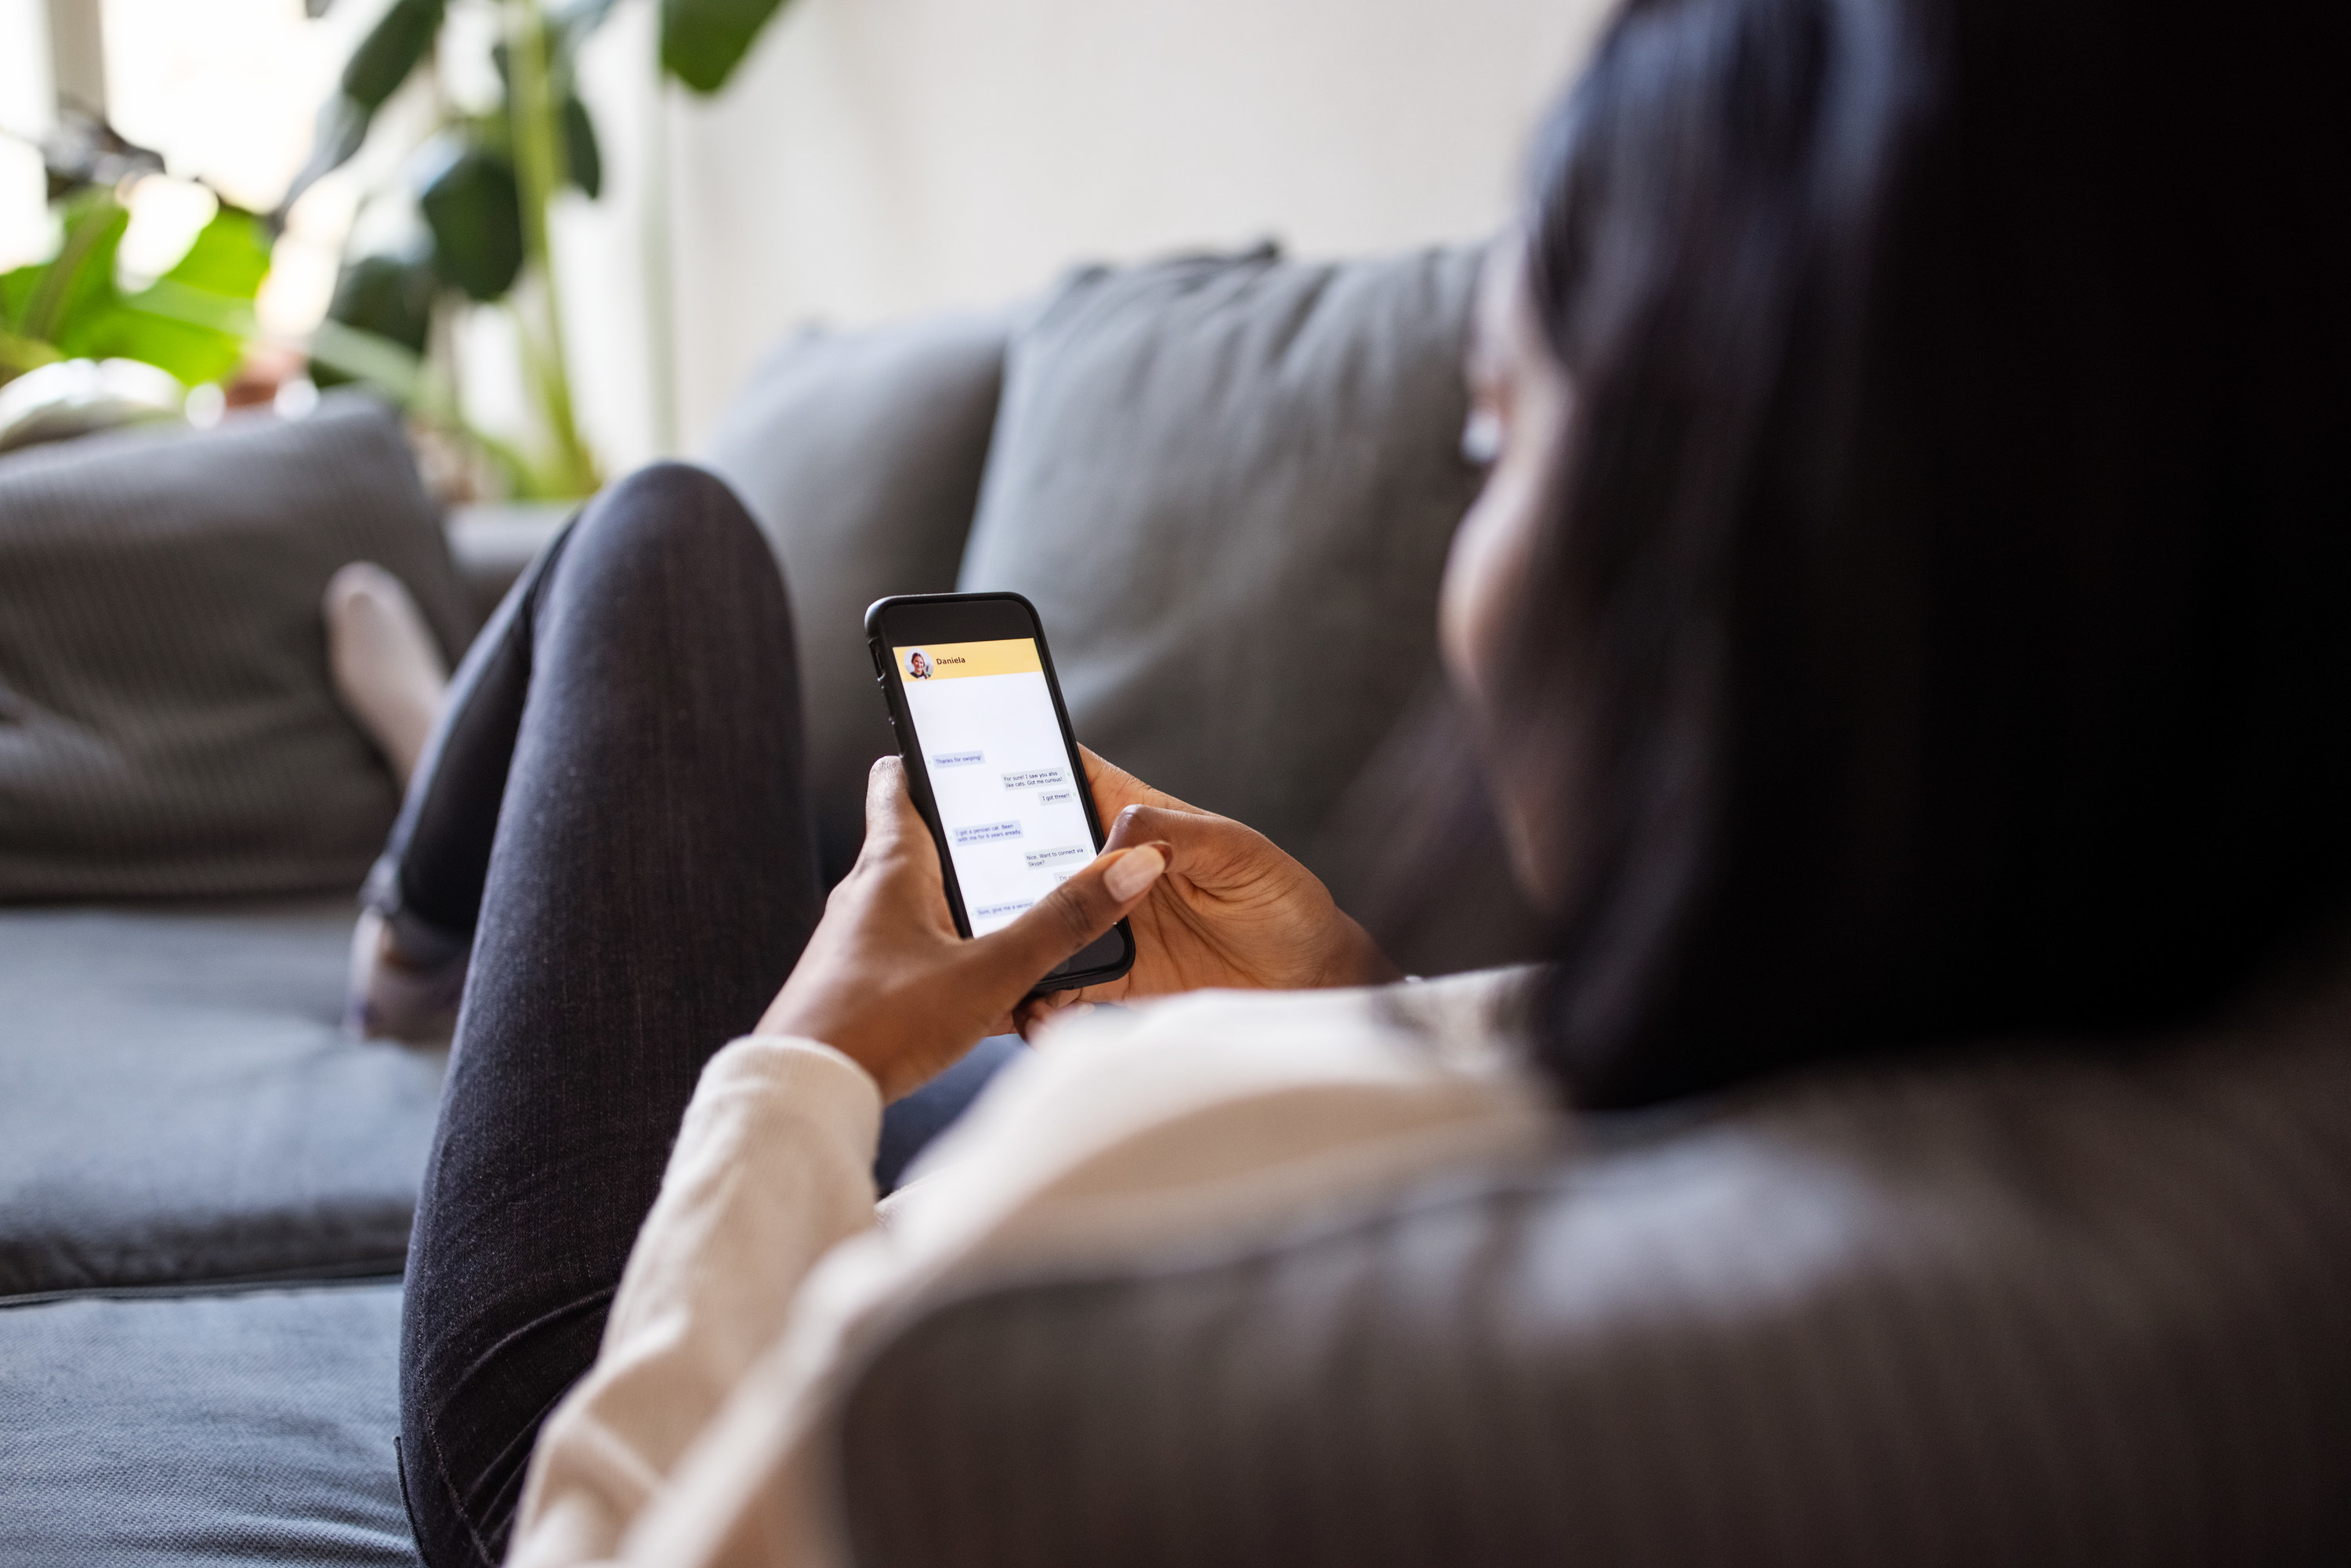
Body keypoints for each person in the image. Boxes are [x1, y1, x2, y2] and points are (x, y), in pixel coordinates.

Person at [353, 0, 2351, 1562]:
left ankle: (421, 906)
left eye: (1493, 443)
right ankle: (457, 800)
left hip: (615, 1410)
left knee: (665, 540)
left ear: (1719, 552)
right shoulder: (2209, 1139)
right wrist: (1362, 994)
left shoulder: (1052, 1339)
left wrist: (802, 1060)